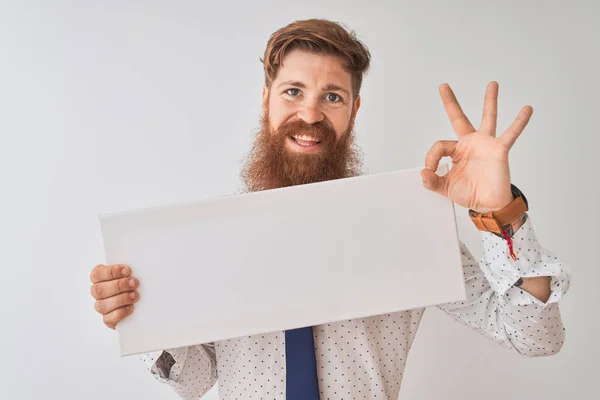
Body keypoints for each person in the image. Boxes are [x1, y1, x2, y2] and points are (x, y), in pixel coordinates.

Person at [89, 18, 570, 400]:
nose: (311, 113)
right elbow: (194, 381)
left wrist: (501, 211)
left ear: (354, 110)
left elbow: (534, 337)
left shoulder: (407, 222)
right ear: (266, 101)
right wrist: (141, 318)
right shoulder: (213, 235)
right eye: (293, 91)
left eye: (332, 96)